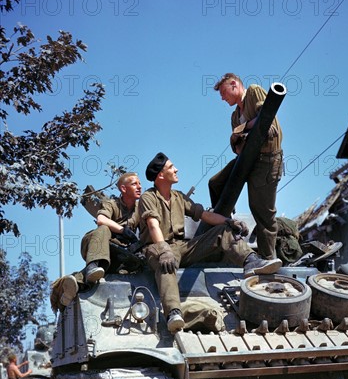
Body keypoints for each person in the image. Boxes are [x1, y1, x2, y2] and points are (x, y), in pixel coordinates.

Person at [139, 152, 282, 333]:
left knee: (222, 231)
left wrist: (228, 222)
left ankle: (251, 261)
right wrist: (163, 249)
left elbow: (204, 215)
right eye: (171, 167)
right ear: (160, 175)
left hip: (181, 247)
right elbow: (152, 225)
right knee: (165, 264)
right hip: (157, 247)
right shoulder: (148, 198)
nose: (176, 169)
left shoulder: (179, 197)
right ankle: (173, 312)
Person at [209, 73, 283, 260]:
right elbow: (237, 146)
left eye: (224, 93)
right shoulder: (235, 116)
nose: (222, 98)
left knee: (262, 212)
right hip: (246, 159)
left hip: (266, 160)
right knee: (215, 183)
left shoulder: (253, 92)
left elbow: (264, 118)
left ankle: (267, 259)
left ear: (234, 85)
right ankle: (226, 224)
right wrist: (242, 133)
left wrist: (242, 131)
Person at [51, 172, 142, 310]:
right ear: (123, 189)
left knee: (104, 275)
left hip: (116, 254)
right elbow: (101, 220)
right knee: (105, 229)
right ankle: (92, 266)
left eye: (140, 183)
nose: (139, 187)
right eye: (134, 184)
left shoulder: (140, 210)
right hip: (96, 244)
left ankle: (70, 286)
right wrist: (123, 231)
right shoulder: (112, 204)